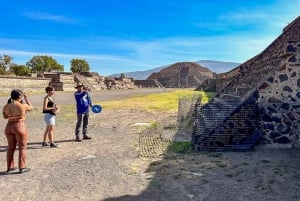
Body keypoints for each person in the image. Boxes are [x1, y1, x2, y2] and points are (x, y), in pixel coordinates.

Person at [2, 89, 33, 174]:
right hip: (19, 125)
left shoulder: (6, 106)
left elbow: (5, 117)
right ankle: (22, 167)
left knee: (10, 147)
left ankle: (10, 167)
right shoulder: (22, 105)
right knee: (22, 147)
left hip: (9, 126)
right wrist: (27, 98)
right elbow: (31, 107)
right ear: (19, 97)